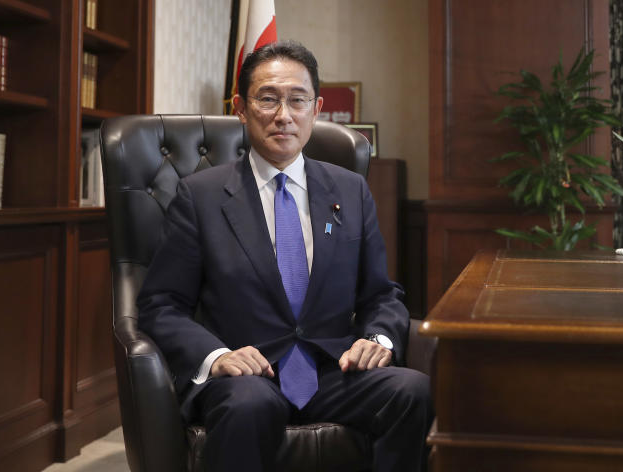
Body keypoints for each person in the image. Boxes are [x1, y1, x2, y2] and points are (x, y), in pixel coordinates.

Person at [137, 40, 433, 471]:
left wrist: (378, 339)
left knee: (413, 391)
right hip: (248, 375)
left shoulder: (350, 191)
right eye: (268, 99)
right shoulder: (199, 196)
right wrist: (218, 356)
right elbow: (160, 305)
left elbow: (381, 295)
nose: (284, 115)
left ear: (316, 108)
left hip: (333, 371)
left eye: (297, 100)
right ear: (240, 107)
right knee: (249, 404)